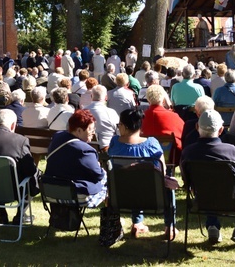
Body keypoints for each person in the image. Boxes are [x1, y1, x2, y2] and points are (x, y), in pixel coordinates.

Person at [180, 109, 235, 248]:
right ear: (221, 130)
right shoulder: (231, 151)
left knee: (209, 189)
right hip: (233, 201)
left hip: (202, 200)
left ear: (197, 127)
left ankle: (212, 226)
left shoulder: (188, 152)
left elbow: (187, 182)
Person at [109, 108, 177, 239]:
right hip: (151, 197)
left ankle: (137, 223)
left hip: (120, 196)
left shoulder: (114, 143)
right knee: (154, 183)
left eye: (119, 125)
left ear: (124, 126)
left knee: (132, 181)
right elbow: (161, 170)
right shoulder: (151, 143)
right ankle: (170, 226)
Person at [44, 110, 107, 208]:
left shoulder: (57, 137)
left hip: (51, 192)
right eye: (90, 129)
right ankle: (111, 220)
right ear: (79, 131)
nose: (93, 133)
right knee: (107, 179)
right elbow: (98, 175)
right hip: (75, 196)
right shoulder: (85, 150)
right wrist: (100, 169)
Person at [141, 85, 184, 155]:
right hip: (170, 158)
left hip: (145, 157)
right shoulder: (173, 117)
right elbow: (183, 135)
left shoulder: (139, 118)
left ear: (148, 100)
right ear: (164, 100)